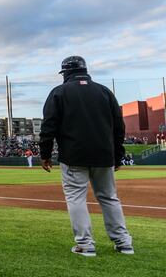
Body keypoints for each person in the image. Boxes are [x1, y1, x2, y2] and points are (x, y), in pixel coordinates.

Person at [40, 56, 133, 257]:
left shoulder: (59, 92)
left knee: (76, 198)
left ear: (65, 73)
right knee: (109, 198)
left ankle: (85, 244)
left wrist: (44, 154)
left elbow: (48, 127)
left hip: (74, 155)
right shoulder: (104, 92)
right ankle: (124, 243)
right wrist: (118, 155)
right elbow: (119, 127)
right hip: (104, 155)